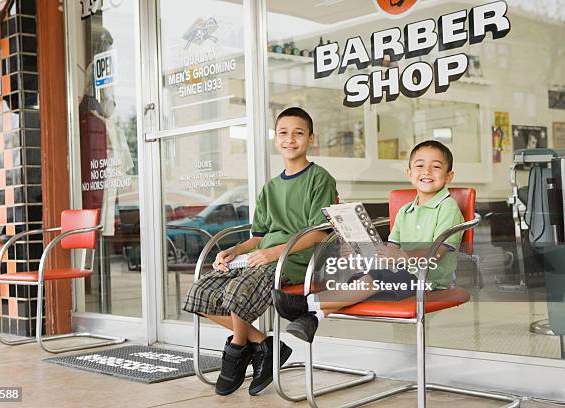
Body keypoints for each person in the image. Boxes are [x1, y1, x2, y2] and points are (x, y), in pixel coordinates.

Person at [182, 107, 338, 396]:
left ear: (311, 139)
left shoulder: (320, 179)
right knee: (200, 293)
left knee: (237, 292)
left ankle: (238, 347)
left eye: (298, 133)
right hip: (261, 258)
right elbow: (259, 237)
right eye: (283, 133)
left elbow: (319, 233)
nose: (290, 139)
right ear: (275, 139)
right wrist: (233, 250)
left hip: (297, 261)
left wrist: (273, 254)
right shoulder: (270, 187)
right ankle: (264, 345)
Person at [273, 140, 464, 343]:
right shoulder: (404, 211)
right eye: (419, 166)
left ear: (448, 176)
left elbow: (438, 251)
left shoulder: (447, 207)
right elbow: (391, 251)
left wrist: (403, 256)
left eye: (435, 167)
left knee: (373, 280)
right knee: (360, 278)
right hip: (402, 276)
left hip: (429, 281)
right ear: (409, 173)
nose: (426, 171)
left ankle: (306, 304)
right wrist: (365, 254)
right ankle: (313, 318)